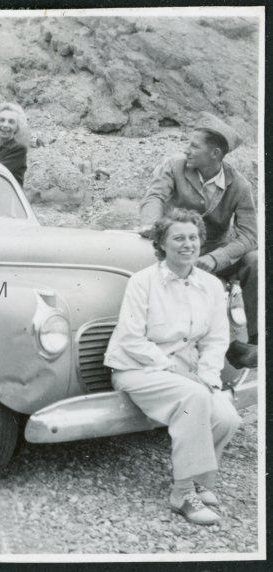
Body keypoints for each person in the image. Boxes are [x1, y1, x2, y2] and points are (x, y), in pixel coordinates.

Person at [104, 208, 241, 526]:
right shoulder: (142, 282)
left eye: (193, 237)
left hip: (188, 373)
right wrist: (179, 372)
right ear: (162, 244)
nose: (187, 244)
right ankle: (182, 494)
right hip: (137, 369)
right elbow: (130, 339)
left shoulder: (211, 285)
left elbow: (216, 340)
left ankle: (200, 481)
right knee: (195, 398)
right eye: (178, 238)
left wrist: (207, 376)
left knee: (228, 417)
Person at [138, 112, 258, 368]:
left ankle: (254, 341)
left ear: (215, 154)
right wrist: (152, 225)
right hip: (176, 249)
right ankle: (219, 346)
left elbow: (250, 235)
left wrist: (216, 258)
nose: (187, 150)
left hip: (213, 255)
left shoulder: (240, 186)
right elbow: (155, 196)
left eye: (194, 146)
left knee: (255, 261)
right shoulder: (175, 166)